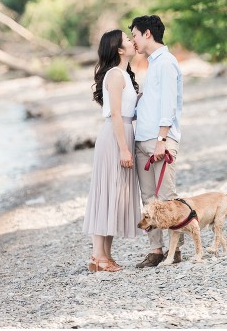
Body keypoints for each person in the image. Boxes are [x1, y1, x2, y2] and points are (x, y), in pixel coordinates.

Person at [81, 29, 141, 272]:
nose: (132, 42)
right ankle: (98, 256)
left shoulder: (124, 74)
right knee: (106, 193)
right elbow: (115, 113)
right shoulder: (116, 75)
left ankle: (105, 255)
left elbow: (126, 110)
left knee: (115, 194)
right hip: (115, 137)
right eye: (128, 40)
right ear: (119, 49)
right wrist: (124, 149)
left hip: (122, 132)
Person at [129, 15, 184, 268]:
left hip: (160, 140)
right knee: (148, 197)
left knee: (166, 197)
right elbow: (150, 104)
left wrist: (162, 139)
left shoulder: (166, 63)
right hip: (143, 139)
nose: (133, 41)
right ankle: (156, 250)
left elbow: (169, 105)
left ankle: (175, 251)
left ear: (147, 34)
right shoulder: (152, 64)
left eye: (135, 36)